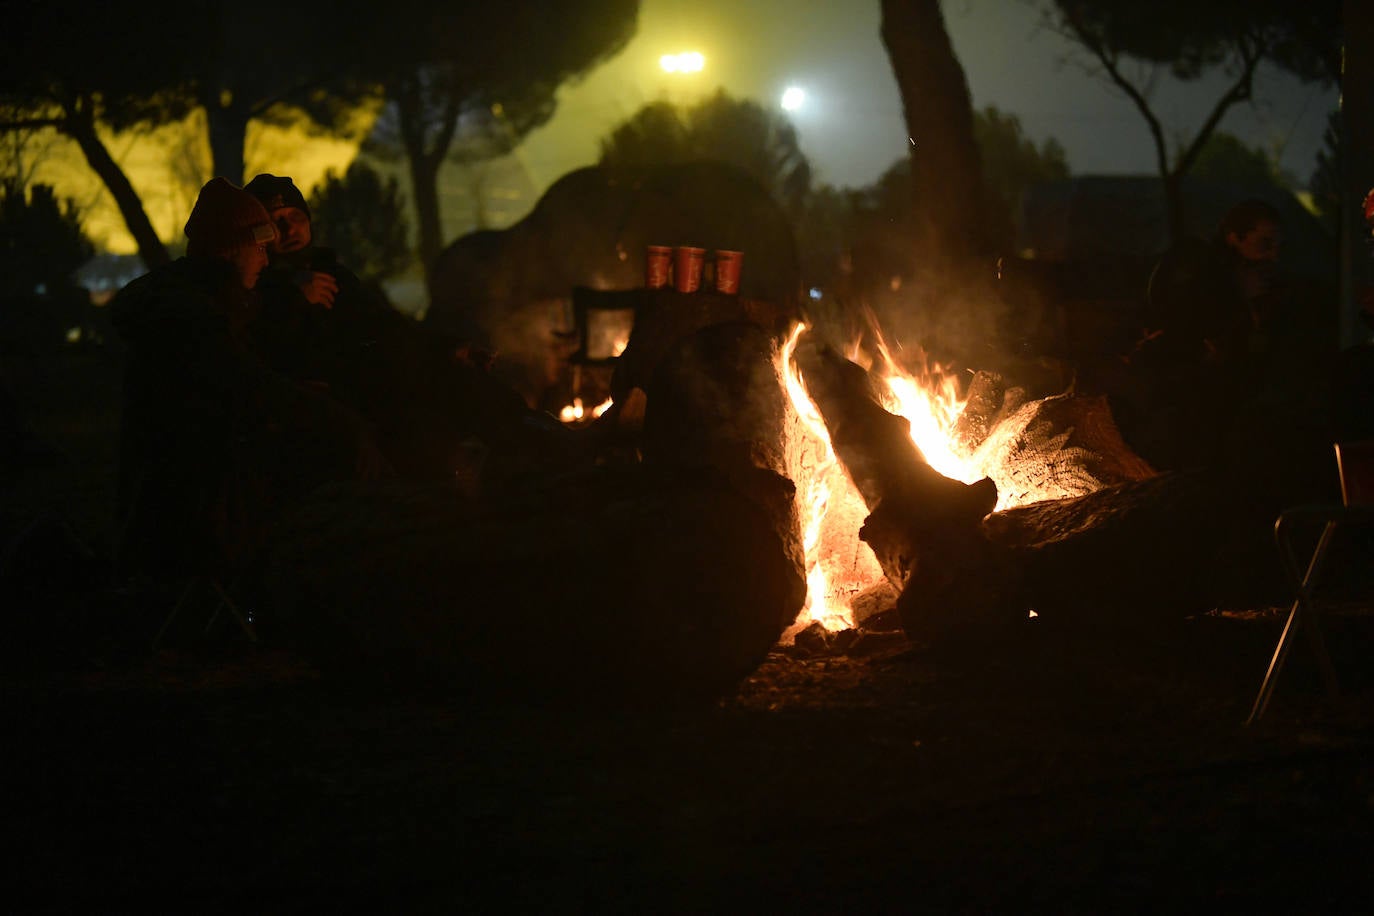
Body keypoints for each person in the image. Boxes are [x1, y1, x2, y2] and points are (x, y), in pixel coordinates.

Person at [110, 177, 389, 581]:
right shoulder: (193, 318)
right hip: (189, 507)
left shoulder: (214, 302)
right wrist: (322, 413)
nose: (265, 259)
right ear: (233, 249)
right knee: (343, 443)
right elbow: (245, 390)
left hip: (191, 487)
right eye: (259, 247)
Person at [242, 173, 559, 480]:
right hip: (347, 401)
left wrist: (446, 347)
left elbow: (384, 323)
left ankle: (540, 435)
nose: (287, 227)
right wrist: (295, 298)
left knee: (460, 376)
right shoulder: (254, 288)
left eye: (294, 215)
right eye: (275, 220)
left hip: (380, 383)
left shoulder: (333, 275)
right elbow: (271, 353)